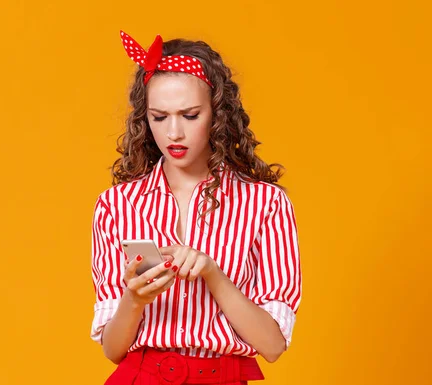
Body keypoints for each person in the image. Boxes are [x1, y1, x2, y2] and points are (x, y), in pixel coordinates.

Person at [89, 30, 302, 385]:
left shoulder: (266, 204)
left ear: (217, 114)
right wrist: (134, 298)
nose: (174, 132)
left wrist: (212, 274)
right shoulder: (116, 206)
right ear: (145, 119)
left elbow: (273, 345)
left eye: (189, 115)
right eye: (159, 117)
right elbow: (113, 351)